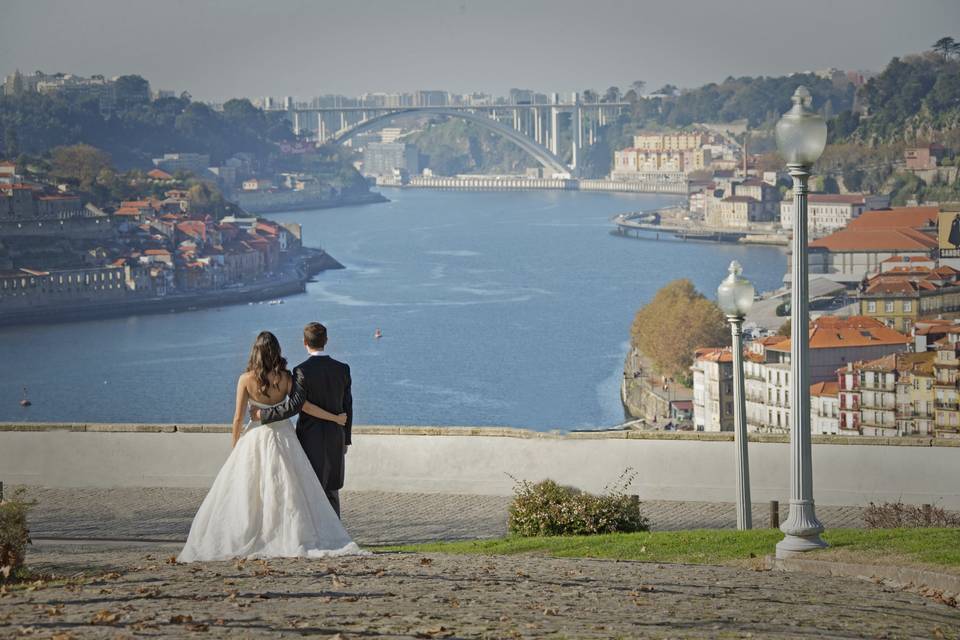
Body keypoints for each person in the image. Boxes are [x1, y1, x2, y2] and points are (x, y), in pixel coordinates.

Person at [177, 331, 364, 562]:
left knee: (250, 490)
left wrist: (235, 446)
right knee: (288, 489)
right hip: (284, 437)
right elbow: (303, 407)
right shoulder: (286, 378)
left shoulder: (245, 379)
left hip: (255, 436)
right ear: (277, 351)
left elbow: (237, 418)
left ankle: (252, 533)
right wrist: (334, 418)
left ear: (255, 352)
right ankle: (288, 533)